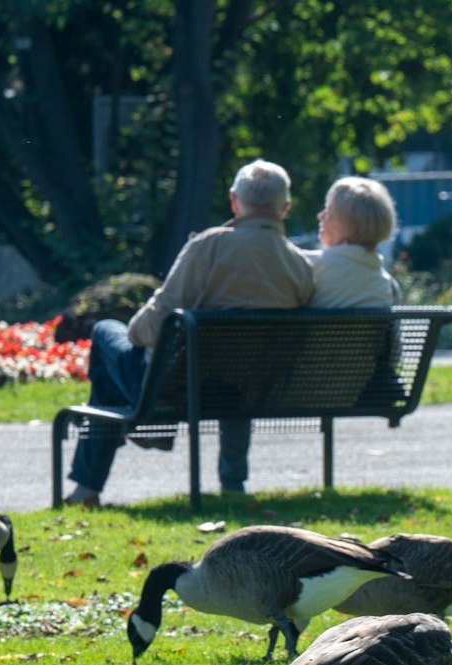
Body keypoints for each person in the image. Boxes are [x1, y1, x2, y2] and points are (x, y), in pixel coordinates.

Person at [63, 160, 313, 507]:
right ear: (284, 208)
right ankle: (233, 485)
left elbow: (152, 326)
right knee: (241, 373)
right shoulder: (299, 264)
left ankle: (93, 483)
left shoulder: (209, 246)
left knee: (107, 333)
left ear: (233, 201)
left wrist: (134, 331)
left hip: (176, 389)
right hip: (250, 390)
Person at [310, 176, 402, 308]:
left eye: (328, 211)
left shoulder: (308, 266)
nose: (320, 216)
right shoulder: (389, 287)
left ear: (347, 225)